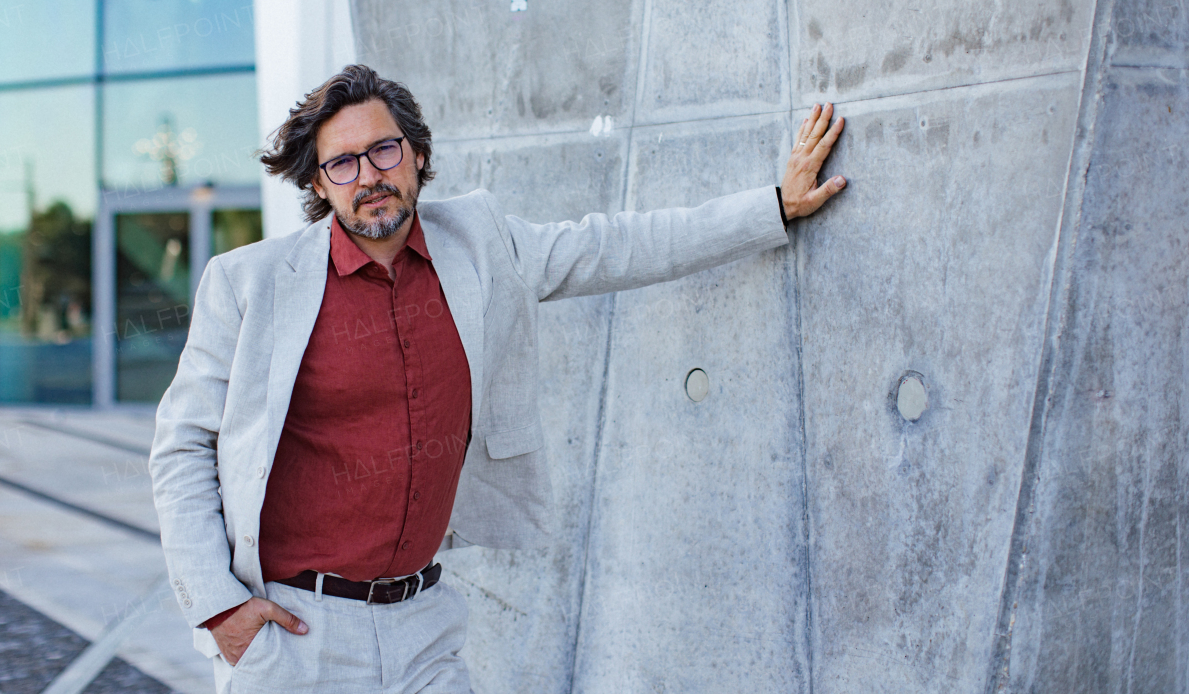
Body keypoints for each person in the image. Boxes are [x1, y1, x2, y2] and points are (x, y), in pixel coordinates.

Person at [148, 63, 847, 693]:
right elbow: (181, 446)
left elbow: (613, 246)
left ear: (418, 156)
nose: (369, 175)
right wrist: (218, 606)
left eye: (385, 150)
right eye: (343, 164)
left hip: (424, 627)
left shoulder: (478, 244)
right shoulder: (251, 284)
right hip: (297, 640)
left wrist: (772, 206)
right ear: (319, 184)